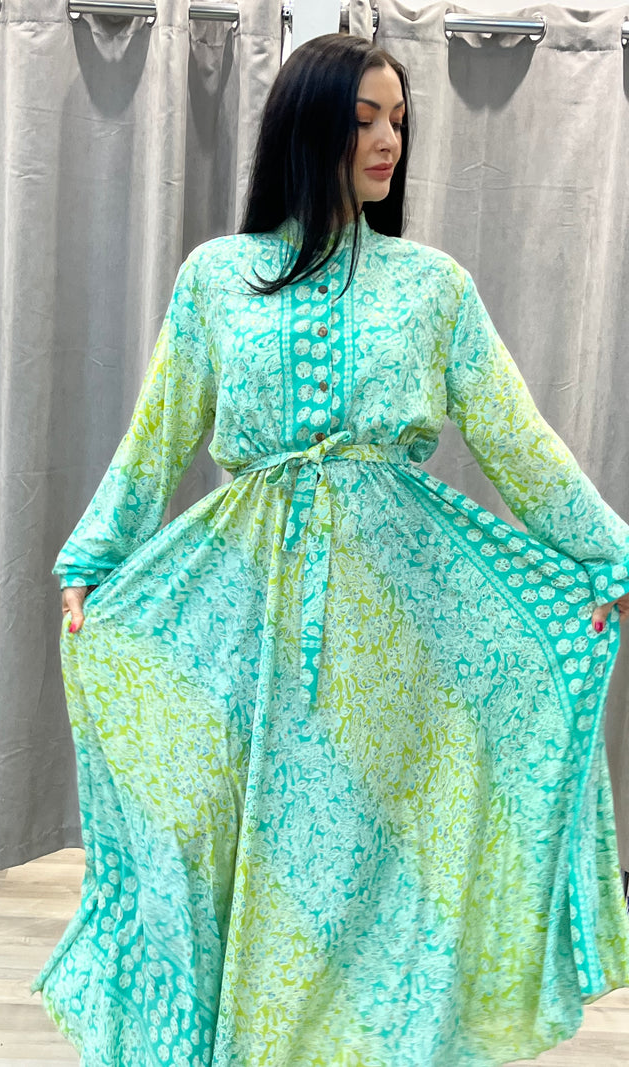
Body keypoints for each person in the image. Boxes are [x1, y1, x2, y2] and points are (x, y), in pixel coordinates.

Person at [33, 33, 629, 1067]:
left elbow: (519, 443)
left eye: (398, 119)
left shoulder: (433, 287)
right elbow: (157, 435)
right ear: (307, 127)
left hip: (398, 629)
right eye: (363, 119)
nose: (389, 139)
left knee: (377, 862)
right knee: (249, 847)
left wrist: (610, 549)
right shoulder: (216, 278)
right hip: (247, 612)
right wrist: (90, 559)